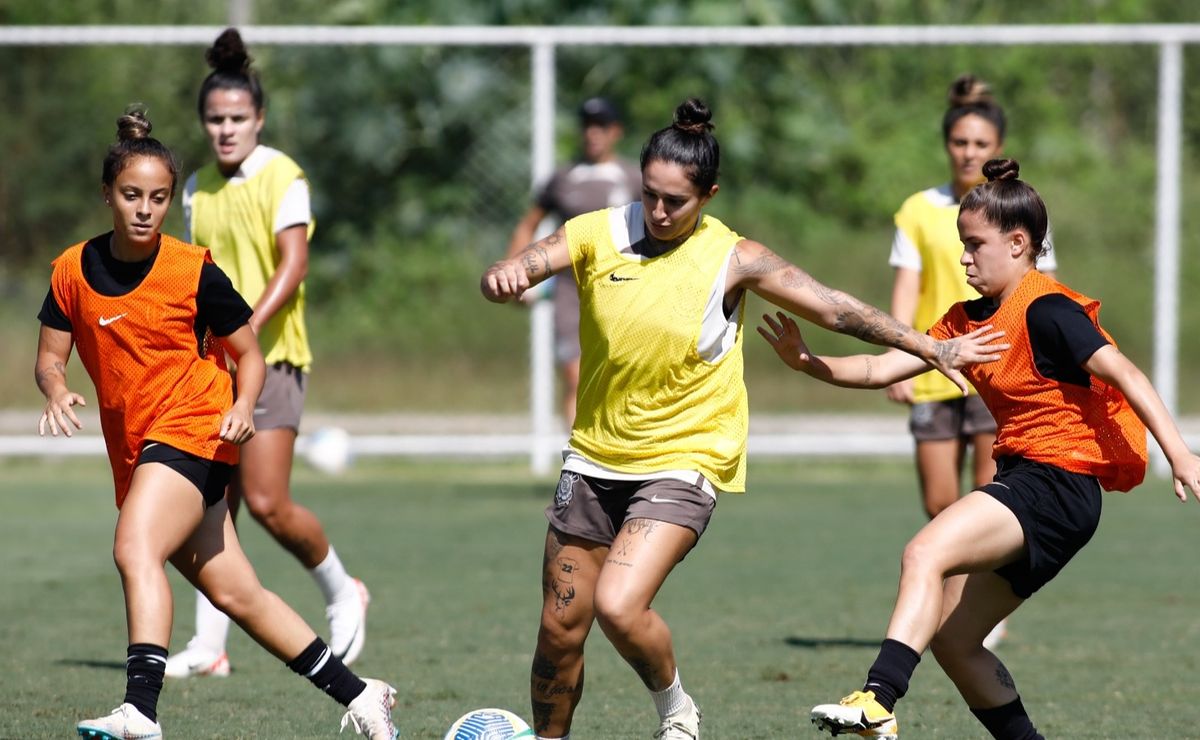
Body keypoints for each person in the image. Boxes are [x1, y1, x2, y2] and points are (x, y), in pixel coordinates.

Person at [481, 98, 1006, 740]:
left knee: (618, 606)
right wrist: (503, 277)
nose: (660, 211)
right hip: (594, 455)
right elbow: (523, 265)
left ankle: (676, 709)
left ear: (709, 195)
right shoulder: (597, 231)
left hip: (685, 457)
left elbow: (835, 309)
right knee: (559, 631)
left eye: (677, 200)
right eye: (650, 195)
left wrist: (930, 346)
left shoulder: (735, 257)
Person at [759, 159, 1200, 740]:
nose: (963, 258)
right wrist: (808, 363)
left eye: (974, 245)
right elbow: (880, 366)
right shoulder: (965, 321)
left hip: (1058, 483)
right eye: (961, 245)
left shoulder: (1049, 309)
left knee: (924, 552)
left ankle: (877, 699)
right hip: (1034, 482)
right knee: (955, 640)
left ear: (1018, 244)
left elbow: (1126, 373)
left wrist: (1180, 454)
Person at [36, 109, 397, 740]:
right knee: (238, 594)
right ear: (106, 196)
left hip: (193, 426)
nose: (144, 209)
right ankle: (361, 693)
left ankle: (139, 711)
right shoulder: (71, 271)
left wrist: (239, 405)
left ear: (169, 201)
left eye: (158, 198)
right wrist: (58, 388)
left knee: (134, 547)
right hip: (137, 446)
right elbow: (47, 359)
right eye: (130, 196)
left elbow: (249, 355)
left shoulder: (192, 270)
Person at [166, 27, 370, 680]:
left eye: (237, 119)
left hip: (272, 360)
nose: (226, 130)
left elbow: (295, 263)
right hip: (213, 370)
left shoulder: (284, 176)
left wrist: (243, 328)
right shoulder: (195, 187)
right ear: (204, 123)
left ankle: (344, 590)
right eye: (215, 120)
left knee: (266, 502)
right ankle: (210, 646)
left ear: (259, 119)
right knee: (207, 505)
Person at [886, 73, 1056, 650]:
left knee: (990, 491)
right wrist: (901, 350)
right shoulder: (918, 209)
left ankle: (977, 614)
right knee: (939, 503)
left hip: (995, 369)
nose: (969, 152)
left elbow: (1042, 290)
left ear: (997, 146)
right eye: (961, 142)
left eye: (981, 144)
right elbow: (906, 289)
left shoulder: (1014, 210)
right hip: (937, 364)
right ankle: (954, 606)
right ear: (948, 144)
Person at [505, 96, 642, 429]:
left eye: (601, 127)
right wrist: (514, 272)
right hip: (570, 288)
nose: (593, 134)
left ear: (616, 132)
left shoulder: (633, 178)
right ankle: (578, 461)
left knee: (621, 378)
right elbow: (528, 224)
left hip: (622, 287)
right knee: (575, 374)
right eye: (587, 126)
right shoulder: (563, 179)